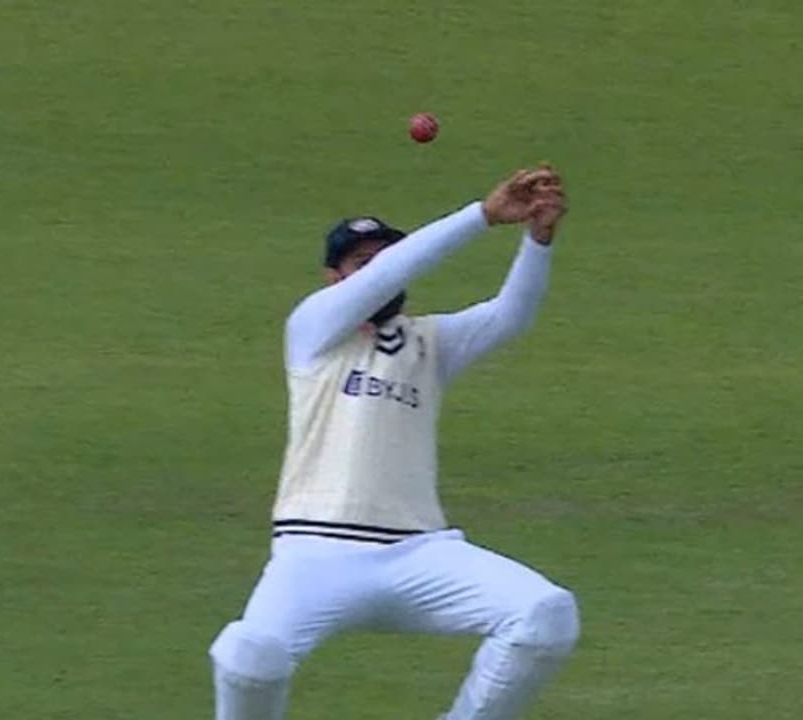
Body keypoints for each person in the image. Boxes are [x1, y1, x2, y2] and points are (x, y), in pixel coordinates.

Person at [209, 166, 579, 720]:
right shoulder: (312, 329)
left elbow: (510, 316)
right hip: (314, 556)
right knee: (248, 656)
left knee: (545, 615)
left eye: (385, 256)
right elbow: (395, 272)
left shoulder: (428, 342)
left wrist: (538, 241)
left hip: (420, 554)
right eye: (363, 262)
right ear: (335, 278)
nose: (380, 269)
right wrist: (481, 216)